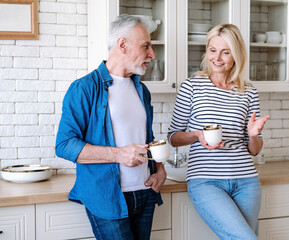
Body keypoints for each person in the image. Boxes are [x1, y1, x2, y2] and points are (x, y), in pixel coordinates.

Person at [55, 14, 166, 240]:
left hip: (145, 193)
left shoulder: (141, 90)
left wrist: (160, 168)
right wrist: (119, 155)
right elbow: (65, 145)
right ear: (122, 45)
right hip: (107, 197)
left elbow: (147, 137)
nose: (152, 54)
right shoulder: (84, 88)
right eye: (146, 46)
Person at [168, 24, 269, 239]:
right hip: (206, 181)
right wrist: (196, 135)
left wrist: (253, 135)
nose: (218, 58)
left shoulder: (248, 91)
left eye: (226, 51)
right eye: (213, 50)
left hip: (247, 181)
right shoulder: (192, 87)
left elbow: (254, 149)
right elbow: (173, 137)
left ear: (237, 54)